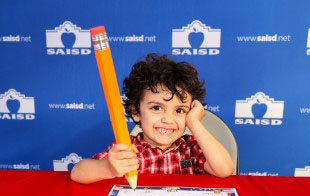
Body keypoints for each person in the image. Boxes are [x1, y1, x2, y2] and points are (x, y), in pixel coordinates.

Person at [71, 53, 234, 184]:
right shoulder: (128, 149)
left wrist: (194, 123)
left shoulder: (190, 148)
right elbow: (78, 173)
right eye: (157, 108)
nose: (168, 119)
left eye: (179, 110)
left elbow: (225, 169)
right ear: (136, 111)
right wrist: (108, 167)